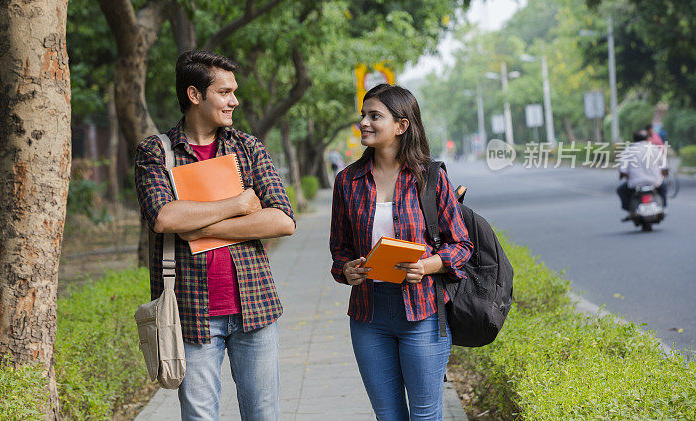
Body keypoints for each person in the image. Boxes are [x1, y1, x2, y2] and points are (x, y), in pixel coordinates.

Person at [135, 51, 295, 421]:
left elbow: (283, 220)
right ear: (194, 95)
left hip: (255, 304)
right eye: (224, 92)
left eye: (233, 92)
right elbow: (164, 216)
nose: (234, 101)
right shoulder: (157, 152)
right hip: (190, 312)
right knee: (199, 416)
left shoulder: (246, 148)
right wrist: (239, 203)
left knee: (263, 414)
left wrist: (197, 225)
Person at [329, 83, 472, 421]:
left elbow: (462, 245)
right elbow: (339, 249)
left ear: (401, 125)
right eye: (363, 115)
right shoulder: (347, 181)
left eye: (374, 116)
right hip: (369, 314)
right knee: (388, 415)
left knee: (425, 414)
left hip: (422, 312)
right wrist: (346, 270)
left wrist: (428, 265)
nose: (364, 122)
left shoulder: (430, 177)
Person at [616, 129, 669, 212]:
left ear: (634, 139)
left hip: (635, 184)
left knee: (621, 190)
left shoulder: (628, 151)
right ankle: (664, 207)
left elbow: (623, 171)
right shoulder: (655, 149)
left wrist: (628, 178)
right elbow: (664, 168)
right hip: (655, 183)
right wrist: (662, 176)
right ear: (648, 138)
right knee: (664, 187)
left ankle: (630, 210)